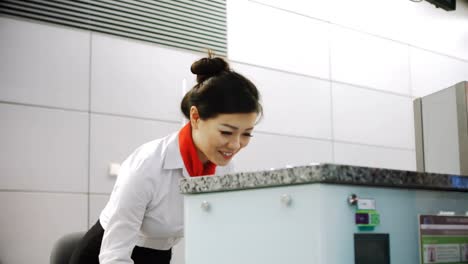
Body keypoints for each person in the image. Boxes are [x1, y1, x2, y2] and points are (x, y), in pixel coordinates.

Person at [69, 53, 263, 264]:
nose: (235, 145)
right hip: (104, 254)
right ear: (195, 117)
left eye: (246, 134)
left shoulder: (224, 168)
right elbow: (113, 255)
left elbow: (219, 234)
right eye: (226, 132)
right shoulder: (148, 164)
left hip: (158, 255)